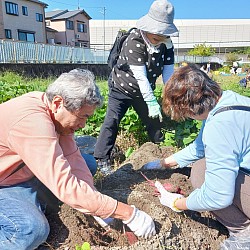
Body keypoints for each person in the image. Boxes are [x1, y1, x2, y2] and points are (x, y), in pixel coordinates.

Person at [0, 69, 156, 250]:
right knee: (31, 230)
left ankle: (41, 201)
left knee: (87, 164)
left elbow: (73, 157)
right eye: (82, 117)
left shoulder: (51, 108)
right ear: (58, 103)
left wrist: (95, 201)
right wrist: (129, 214)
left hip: (20, 174)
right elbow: (65, 185)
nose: (83, 125)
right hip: (5, 183)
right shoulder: (31, 121)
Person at [144, 64, 250, 249]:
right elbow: (199, 148)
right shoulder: (231, 101)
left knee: (201, 172)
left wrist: (178, 203)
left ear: (189, 109)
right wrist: (164, 163)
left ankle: (244, 233)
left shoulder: (220, 125)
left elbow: (218, 196)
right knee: (201, 165)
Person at [94, 0, 179, 171]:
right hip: (121, 88)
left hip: (144, 91)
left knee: (154, 122)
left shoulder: (166, 43)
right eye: (156, 37)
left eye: (163, 36)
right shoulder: (134, 40)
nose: (159, 41)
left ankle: (160, 151)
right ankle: (102, 158)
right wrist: (152, 101)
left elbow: (168, 73)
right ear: (147, 29)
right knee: (112, 121)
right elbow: (140, 77)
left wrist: (169, 96)